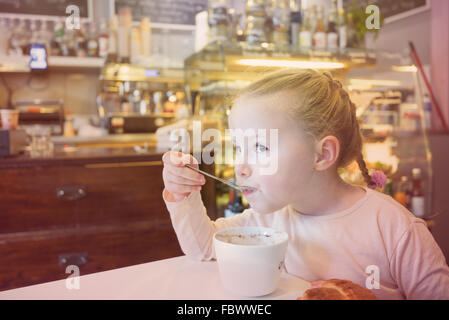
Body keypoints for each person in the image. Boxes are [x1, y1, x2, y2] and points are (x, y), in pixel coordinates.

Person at [161, 69, 449, 300]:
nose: (241, 167)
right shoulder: (268, 221)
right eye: (239, 148)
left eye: (261, 147)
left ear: (322, 154)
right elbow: (203, 248)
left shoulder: (394, 229)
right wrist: (181, 192)